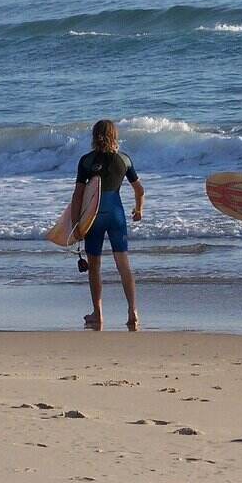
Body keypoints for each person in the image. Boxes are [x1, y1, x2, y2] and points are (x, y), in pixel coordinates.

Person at [71, 120, 145, 330]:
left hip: (93, 217)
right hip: (116, 214)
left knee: (94, 265)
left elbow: (78, 195)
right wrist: (139, 209)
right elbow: (139, 190)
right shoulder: (124, 160)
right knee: (123, 264)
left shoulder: (86, 161)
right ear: (115, 136)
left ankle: (98, 313)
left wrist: (76, 223)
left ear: (95, 136)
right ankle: (133, 310)